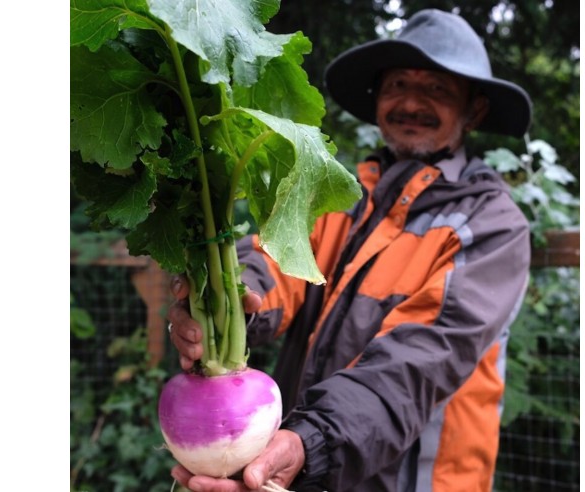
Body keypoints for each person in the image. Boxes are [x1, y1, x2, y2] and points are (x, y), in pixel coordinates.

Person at [168, 8, 533, 492]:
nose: (412, 103)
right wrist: (228, 300)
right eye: (398, 85)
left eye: (437, 89)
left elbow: (419, 360)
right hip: (307, 465)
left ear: (475, 111)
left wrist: (311, 442)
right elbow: (277, 261)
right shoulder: (342, 195)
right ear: (378, 99)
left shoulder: (490, 223)